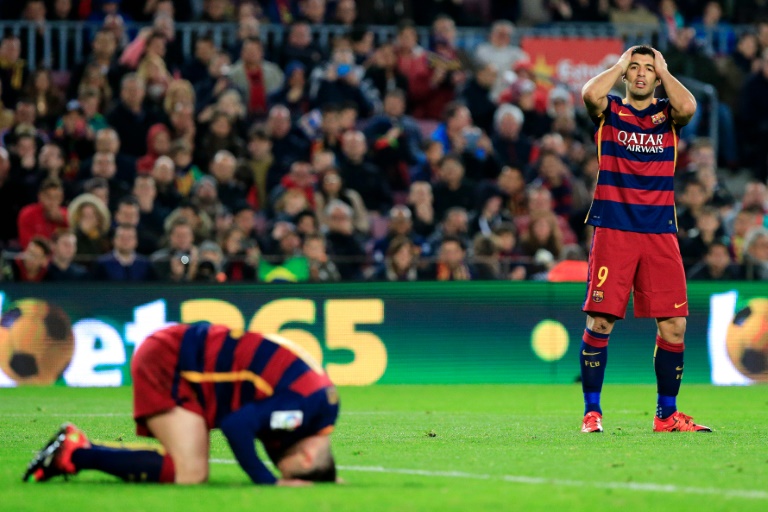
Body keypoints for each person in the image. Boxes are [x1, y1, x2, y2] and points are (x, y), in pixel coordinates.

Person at [24, 321, 339, 486]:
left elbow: (267, 424)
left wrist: (324, 477)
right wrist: (268, 482)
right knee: (190, 473)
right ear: (309, 457)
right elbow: (237, 425)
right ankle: (74, 453)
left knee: (190, 469)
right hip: (170, 361)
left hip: (188, 356)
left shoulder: (323, 406)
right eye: (289, 471)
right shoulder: (302, 411)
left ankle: (76, 451)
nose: (278, 464)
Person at [579, 45, 710, 433]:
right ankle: (592, 412)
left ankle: (666, 415)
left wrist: (664, 69)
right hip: (615, 228)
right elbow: (589, 94)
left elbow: (689, 107)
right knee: (601, 321)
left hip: (659, 231)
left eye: (647, 69)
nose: (639, 74)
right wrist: (619, 64)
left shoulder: (668, 115)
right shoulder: (610, 111)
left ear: (657, 76)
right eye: (633, 68)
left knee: (674, 326)